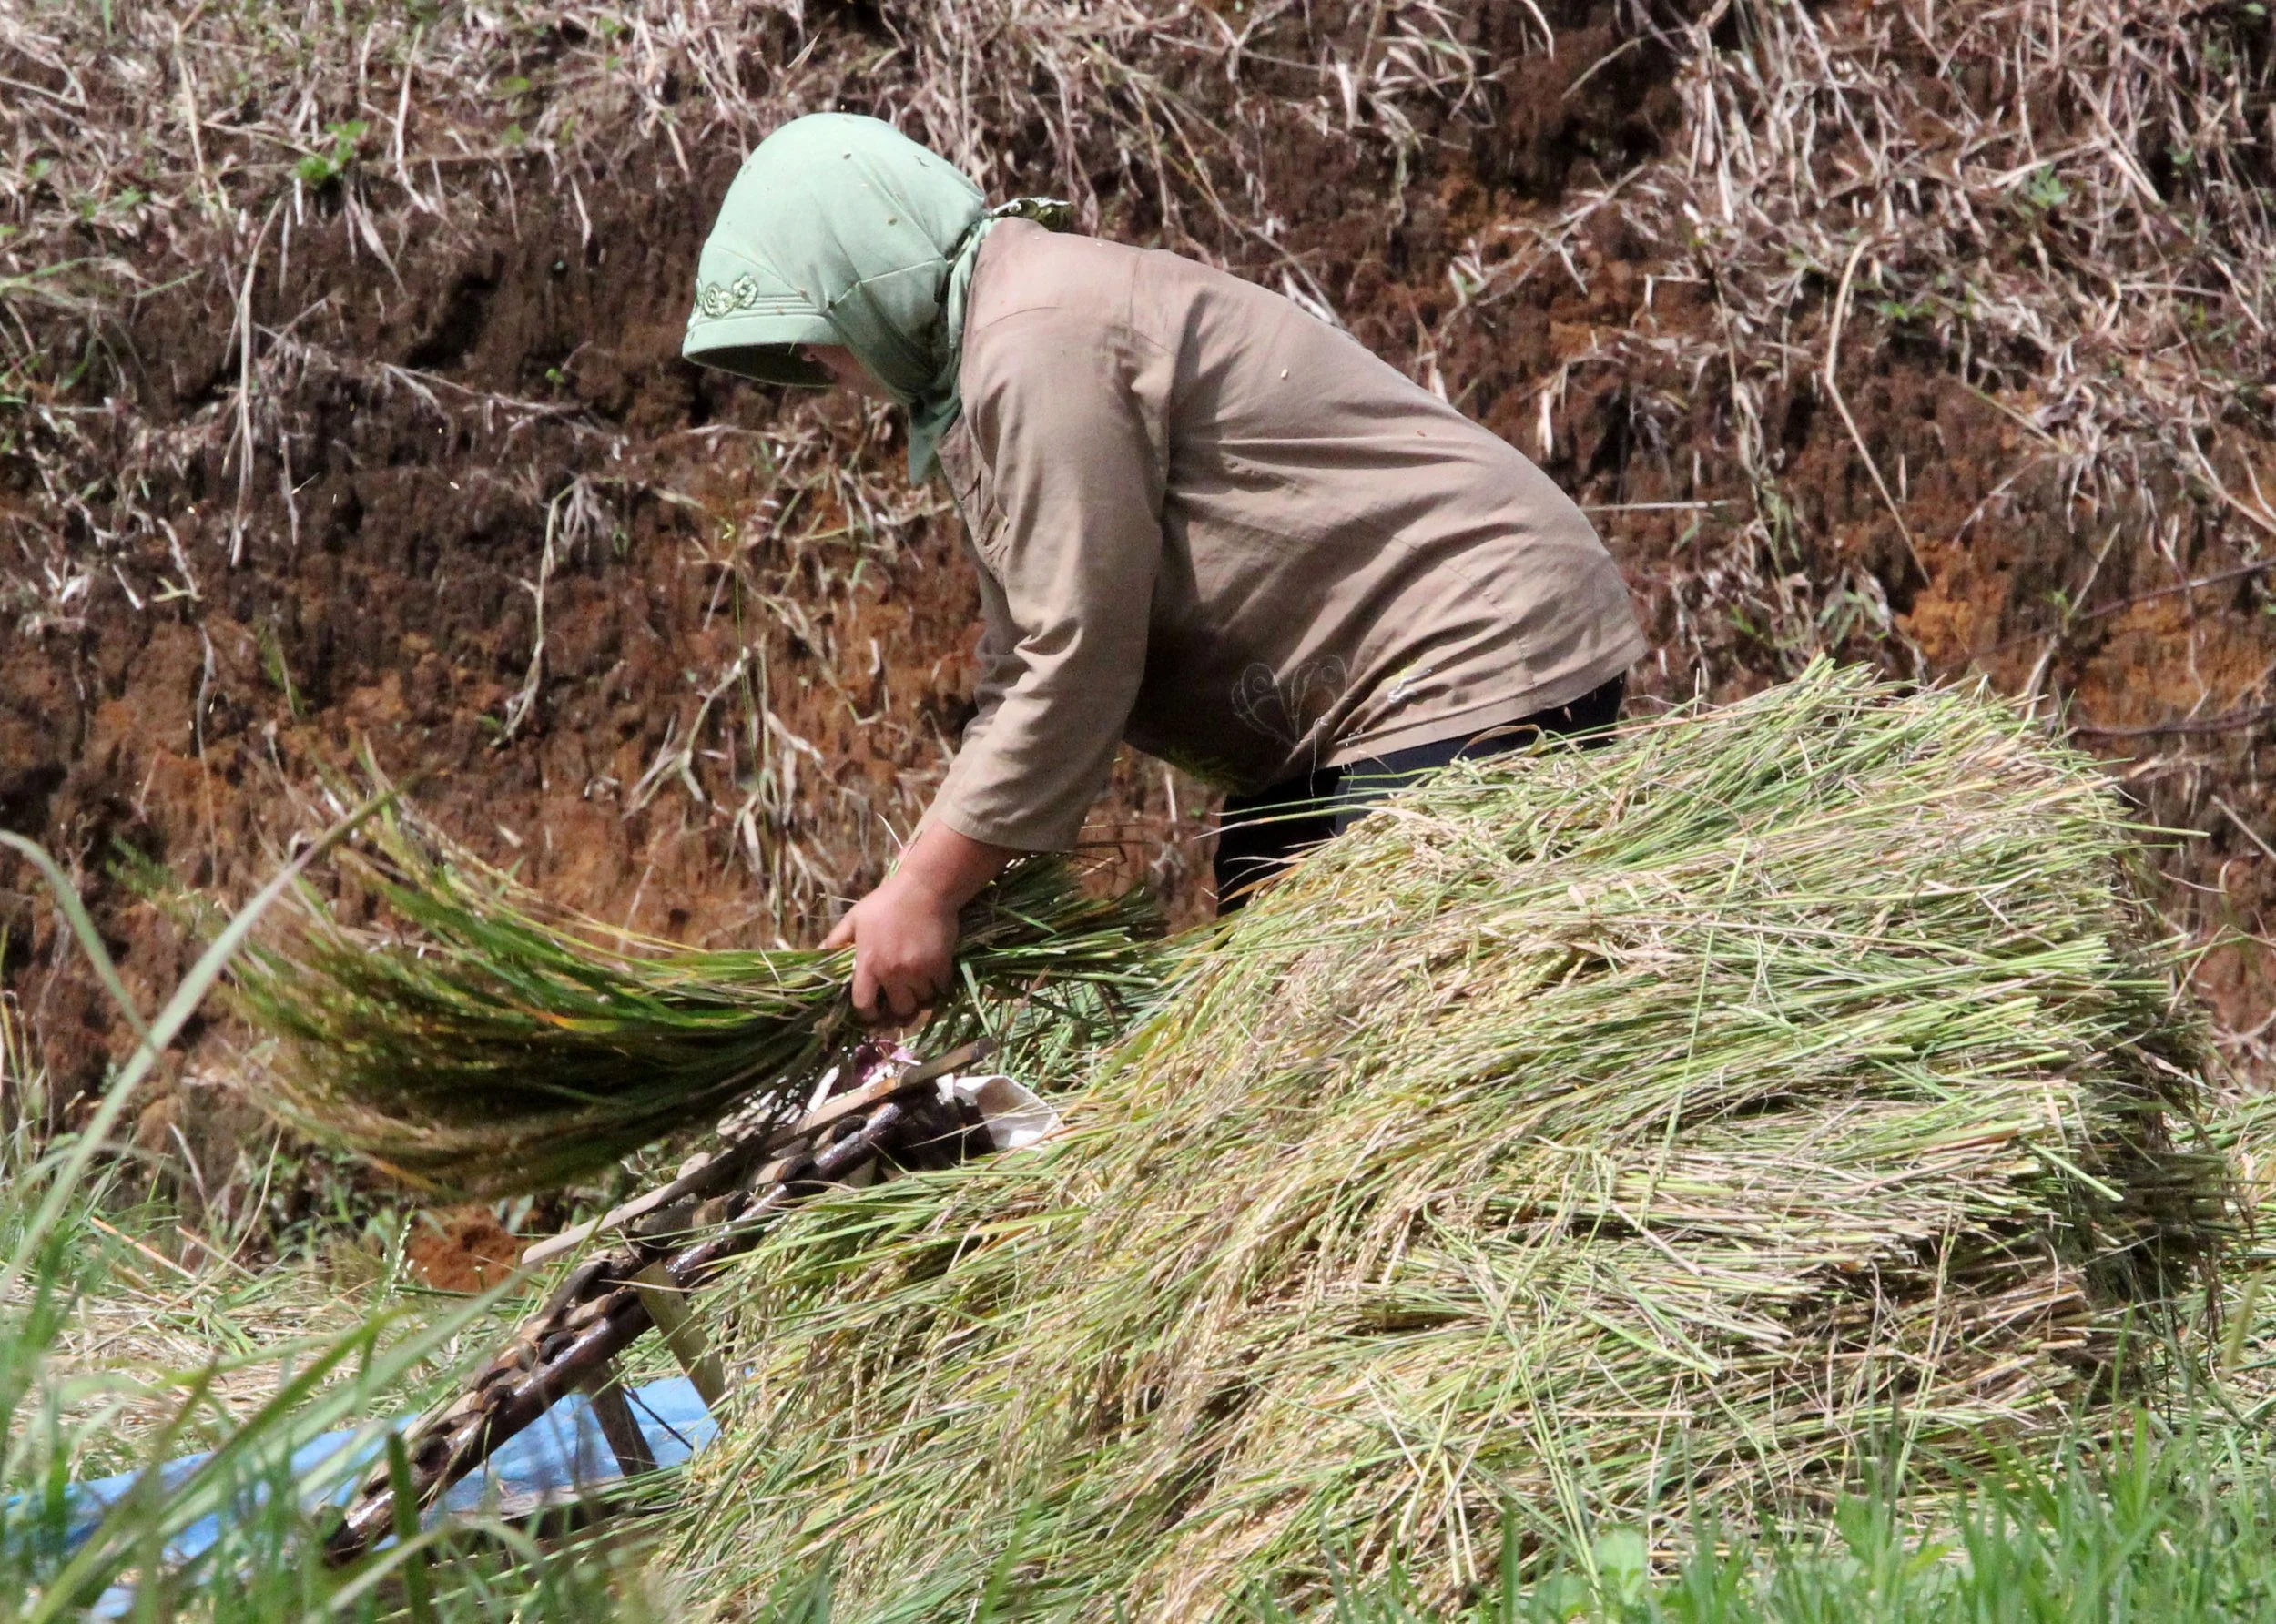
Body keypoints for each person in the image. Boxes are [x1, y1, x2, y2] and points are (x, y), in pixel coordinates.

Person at [681, 114, 1645, 1021]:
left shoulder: (1034, 339)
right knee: (1257, 995)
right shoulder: (984, 358)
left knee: (1354, 1015)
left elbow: (1079, 652)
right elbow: (1021, 658)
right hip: (1354, 714)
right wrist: (929, 884)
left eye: (807, 318)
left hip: (1467, 651)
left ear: (858, 268)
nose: (809, 354)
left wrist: (928, 888)